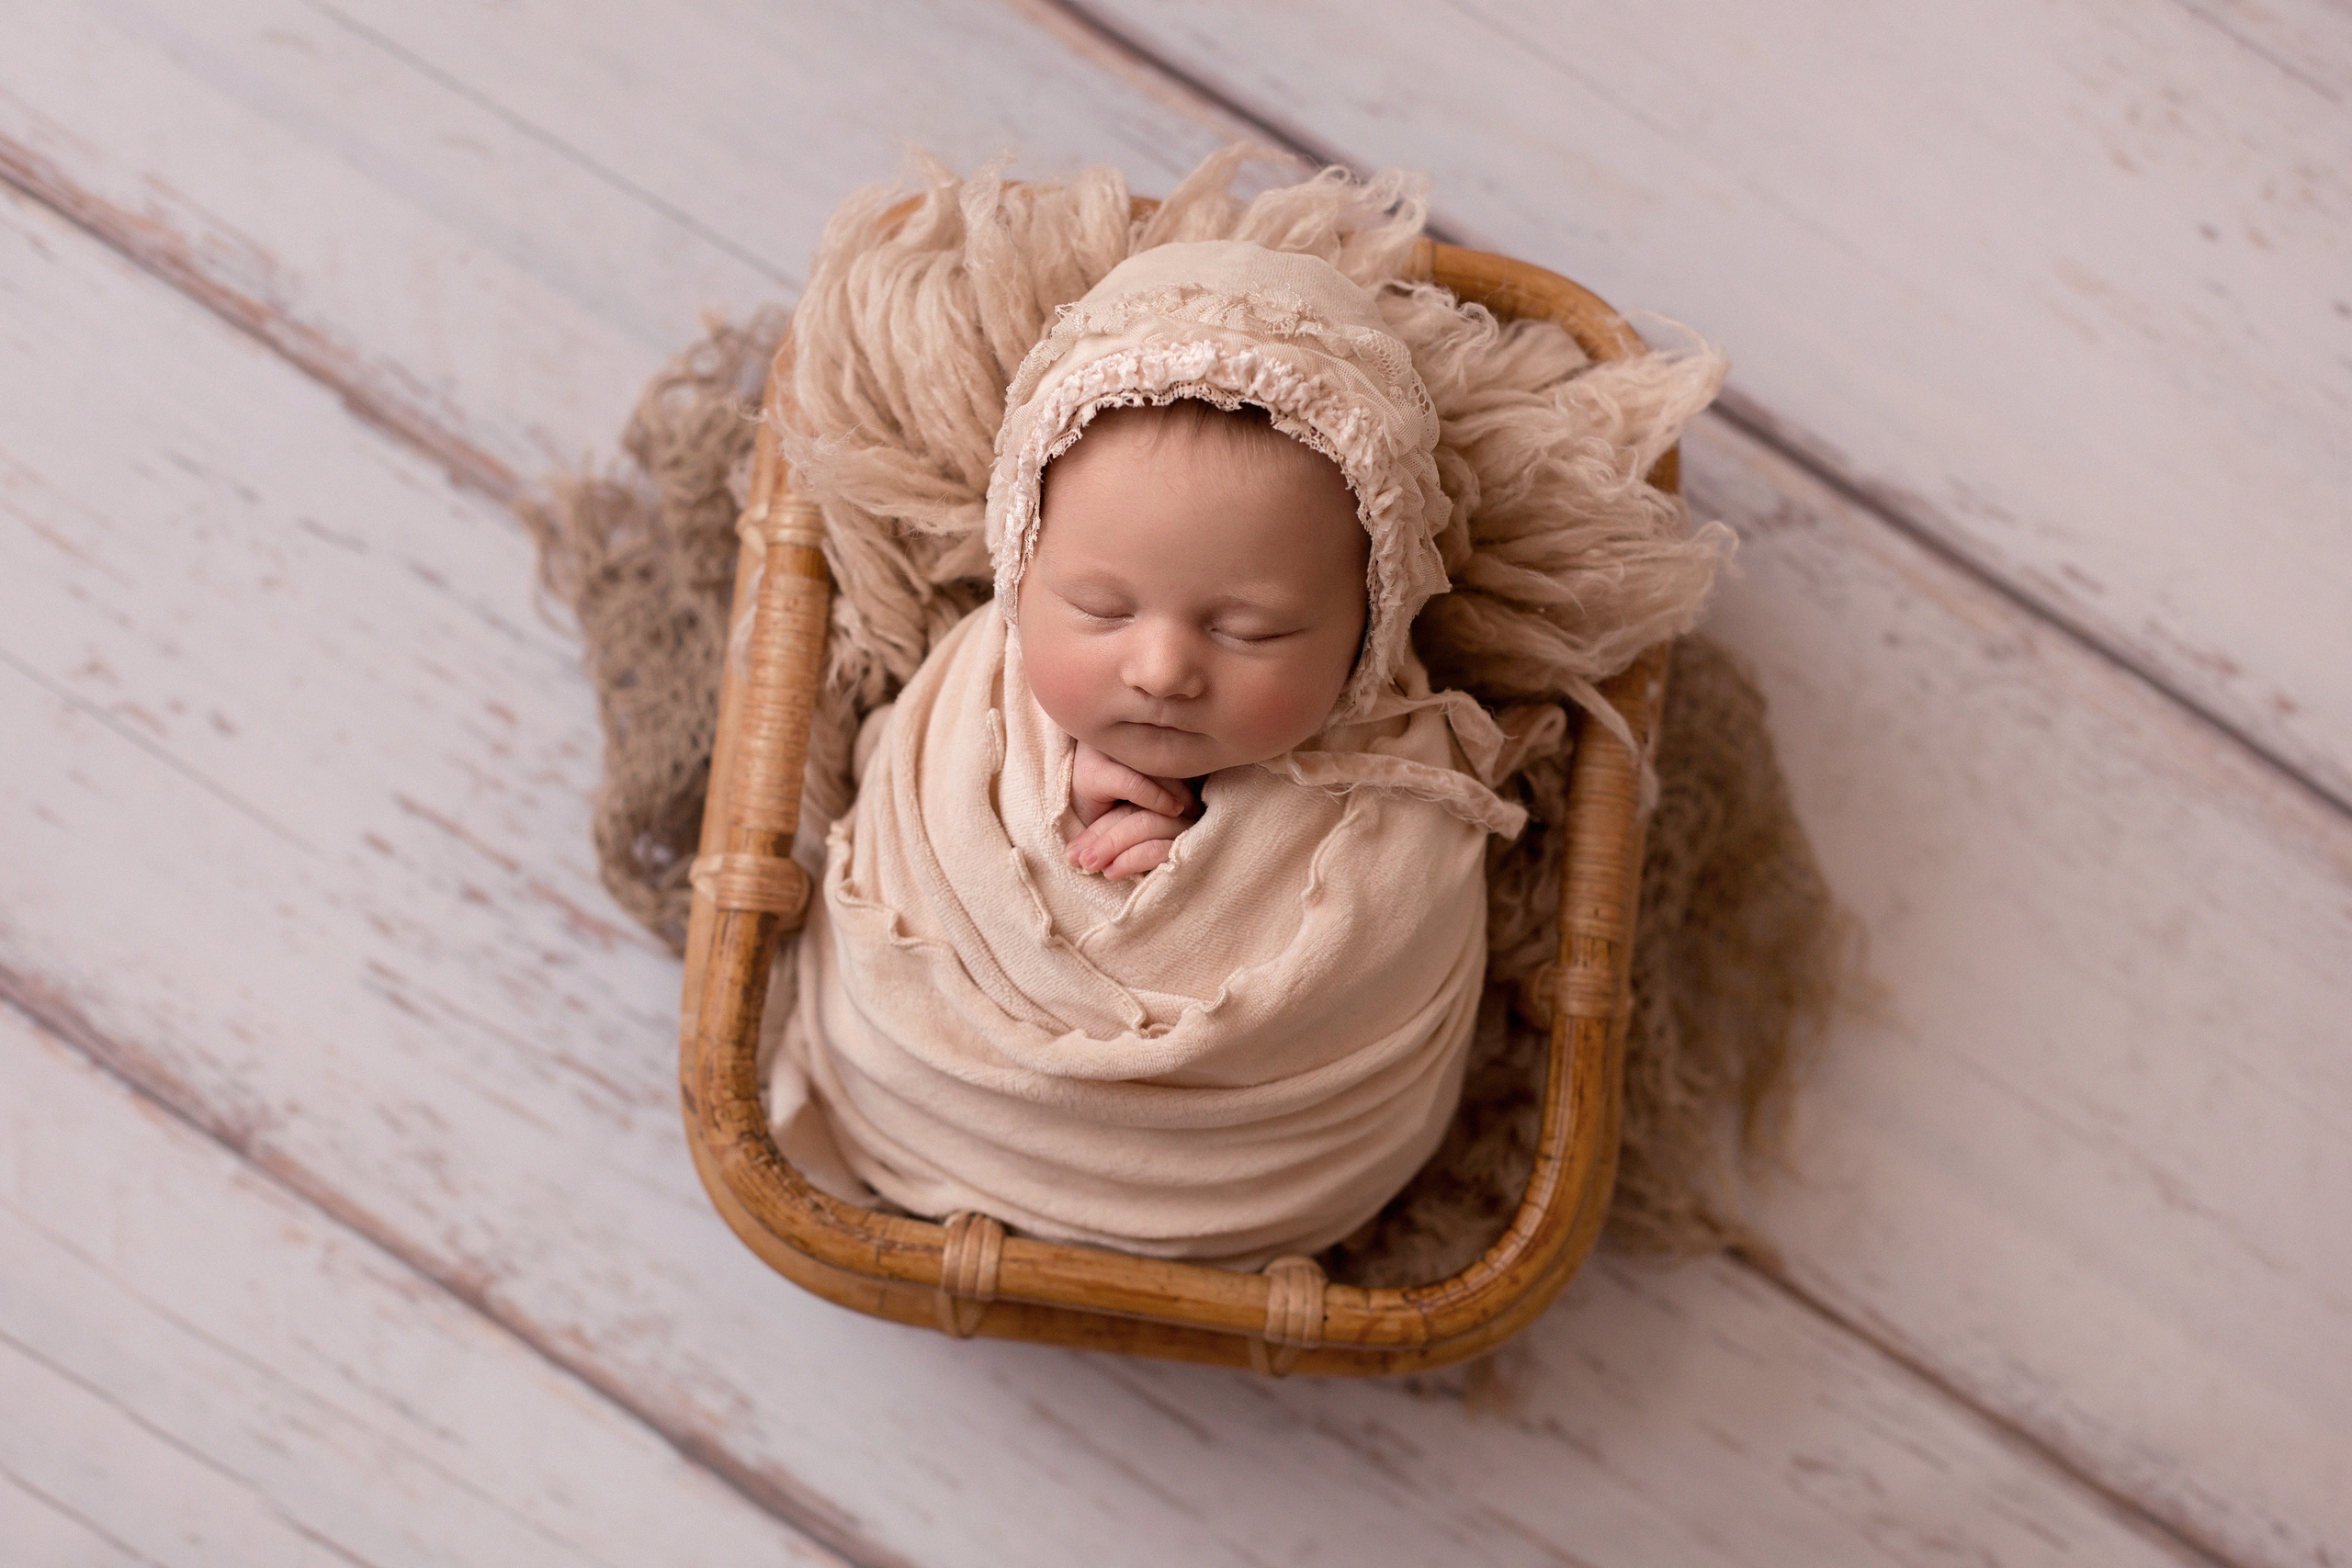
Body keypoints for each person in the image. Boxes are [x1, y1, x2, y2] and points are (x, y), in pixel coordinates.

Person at [766, 240, 1546, 1268]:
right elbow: (892, 797)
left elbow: (1386, 954)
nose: (1164, 667)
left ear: (1368, 625)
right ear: (1020, 564)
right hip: (926, 1104)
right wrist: (1062, 819)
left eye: (1250, 631)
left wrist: (1206, 874)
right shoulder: (977, 687)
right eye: (1100, 607)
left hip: (1248, 1187)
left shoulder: (1407, 780)